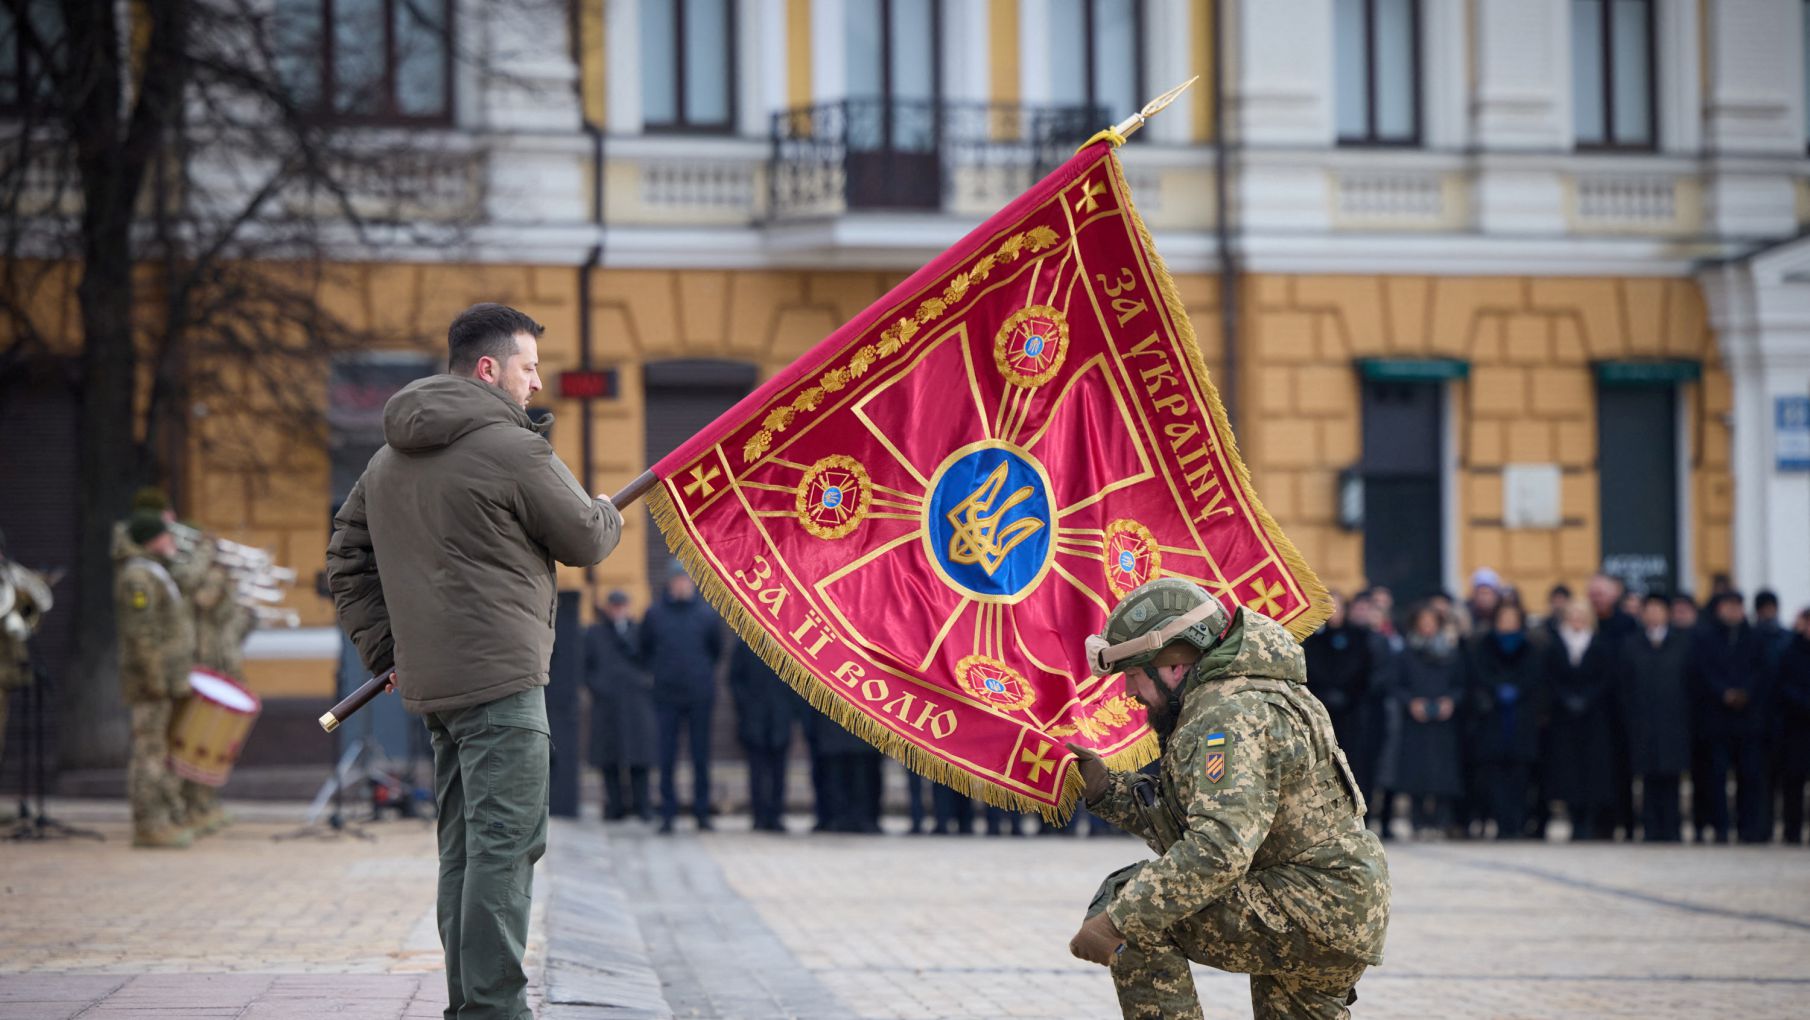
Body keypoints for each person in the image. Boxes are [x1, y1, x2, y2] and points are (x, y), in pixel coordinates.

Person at [327, 302, 623, 1020]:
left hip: (437, 687)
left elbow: (346, 560)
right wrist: (608, 509)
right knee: (506, 847)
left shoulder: (387, 455)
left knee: (464, 849)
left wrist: (388, 652)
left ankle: (472, 1004)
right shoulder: (512, 448)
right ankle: (492, 1009)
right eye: (528, 368)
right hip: (503, 682)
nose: (538, 385)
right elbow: (584, 538)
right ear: (489, 370)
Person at [1067, 578, 1389, 1019]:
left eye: (1135, 675)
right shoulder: (1247, 691)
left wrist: (1118, 922)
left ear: (1175, 665)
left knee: (1133, 906)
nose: (1128, 692)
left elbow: (1218, 849)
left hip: (1311, 907)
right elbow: (1194, 818)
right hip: (1332, 904)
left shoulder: (1229, 715)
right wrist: (1105, 789)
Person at [115, 512, 196, 849]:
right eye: (166, 536)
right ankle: (148, 824)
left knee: (158, 750)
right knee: (148, 751)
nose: (172, 542)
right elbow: (142, 635)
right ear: (151, 539)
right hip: (152, 683)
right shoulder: (138, 576)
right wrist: (156, 679)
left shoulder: (155, 570)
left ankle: (161, 818)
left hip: (166, 679)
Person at [641, 566, 725, 833]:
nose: (681, 585)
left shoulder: (706, 615)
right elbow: (645, 649)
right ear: (669, 584)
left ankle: (702, 812)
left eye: (686, 581)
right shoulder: (654, 615)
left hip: (700, 696)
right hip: (666, 695)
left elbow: (716, 650)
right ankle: (668, 813)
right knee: (667, 756)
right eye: (677, 580)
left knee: (701, 756)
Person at [183, 553, 257, 835]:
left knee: (217, 744)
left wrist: (248, 615)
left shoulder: (220, 596)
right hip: (207, 668)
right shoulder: (202, 587)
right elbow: (205, 602)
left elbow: (232, 630)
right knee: (200, 741)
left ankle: (206, 803)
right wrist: (215, 575)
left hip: (226, 667)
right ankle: (193, 806)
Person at [1378, 604, 1466, 838]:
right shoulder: (1405, 654)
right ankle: (1418, 821)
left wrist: (1451, 701)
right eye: (1423, 622)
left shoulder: (1450, 652)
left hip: (1443, 722)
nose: (1427, 626)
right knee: (1416, 772)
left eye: (1431, 622)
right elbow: (1395, 685)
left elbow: (1461, 684)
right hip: (1415, 720)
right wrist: (1411, 702)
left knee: (1443, 773)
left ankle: (1440, 821)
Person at [1693, 592, 1771, 844]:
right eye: (1728, 606)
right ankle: (1721, 827)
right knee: (1716, 777)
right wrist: (1723, 693)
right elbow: (1703, 671)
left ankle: (1748, 827)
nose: (1733, 611)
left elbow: (1762, 671)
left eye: (1737, 606)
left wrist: (1744, 693)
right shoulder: (1706, 637)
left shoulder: (1755, 637)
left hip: (1748, 720)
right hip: (1716, 720)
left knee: (1749, 776)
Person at [1466, 604, 1546, 839]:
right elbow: (1478, 676)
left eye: (1512, 618)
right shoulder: (1483, 647)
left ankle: (1518, 822)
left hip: (1522, 719)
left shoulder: (1531, 648)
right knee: (1494, 774)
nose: (1508, 622)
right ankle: (1501, 822)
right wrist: (1496, 690)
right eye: (1503, 618)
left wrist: (1517, 690)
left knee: (1521, 774)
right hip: (1492, 717)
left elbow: (1535, 679)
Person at [1619, 593, 1694, 842]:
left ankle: (1672, 829)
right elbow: (1624, 686)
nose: (1653, 614)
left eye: (1658, 609)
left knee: (1671, 777)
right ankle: (1650, 828)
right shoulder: (1631, 644)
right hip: (1642, 722)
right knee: (1647, 777)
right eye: (1648, 610)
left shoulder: (1682, 643)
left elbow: (1691, 684)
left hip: (1674, 722)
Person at [1542, 602, 1617, 839]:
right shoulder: (1555, 646)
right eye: (1572, 616)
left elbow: (1606, 678)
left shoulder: (1600, 645)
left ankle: (1589, 821)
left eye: (1580, 616)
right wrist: (1566, 699)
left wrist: (1587, 698)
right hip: (1564, 718)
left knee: (1592, 771)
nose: (1576, 620)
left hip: (1593, 718)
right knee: (1568, 772)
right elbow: (1550, 677)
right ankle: (1574, 819)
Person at [583, 590, 655, 822]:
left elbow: (650, 659)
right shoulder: (595, 634)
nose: (618, 611)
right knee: (609, 759)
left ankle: (642, 806)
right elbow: (585, 666)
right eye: (614, 606)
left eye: (622, 606)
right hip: (608, 706)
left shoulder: (639, 632)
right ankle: (615, 807)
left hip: (636, 705)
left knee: (639, 758)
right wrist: (598, 687)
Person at [1304, 592, 1374, 809]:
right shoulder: (1313, 638)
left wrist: (1346, 694)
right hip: (1321, 707)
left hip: (1352, 709)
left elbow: (1363, 670)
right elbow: (1310, 670)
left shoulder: (1359, 637)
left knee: (1355, 761)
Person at [728, 639, 799, 833]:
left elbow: (797, 682)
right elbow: (735, 679)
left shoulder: (788, 643)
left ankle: (776, 815)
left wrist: (790, 710)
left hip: (780, 717)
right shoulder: (745, 644)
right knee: (757, 771)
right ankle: (759, 816)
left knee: (779, 771)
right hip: (754, 718)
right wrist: (745, 707)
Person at [1775, 609, 1810, 845]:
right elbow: (1781, 685)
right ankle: (1792, 831)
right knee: (1793, 782)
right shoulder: (1788, 650)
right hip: (1796, 728)